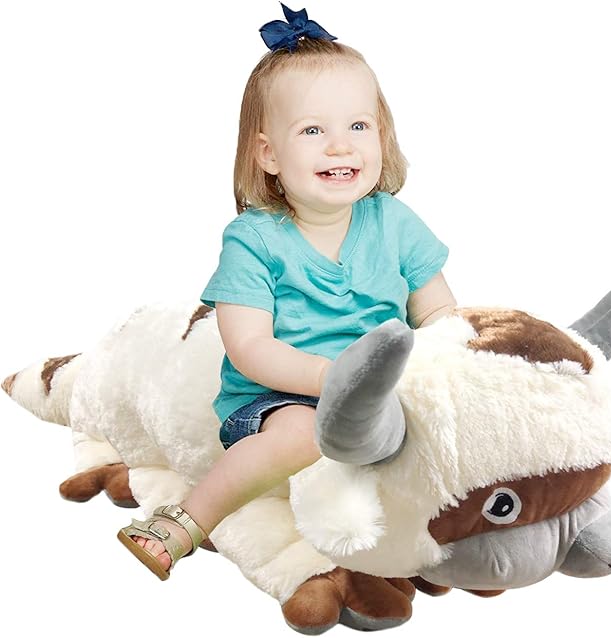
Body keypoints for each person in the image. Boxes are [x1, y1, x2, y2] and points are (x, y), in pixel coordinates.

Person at [117, 3, 458, 580]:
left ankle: (457, 537)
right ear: (269, 154)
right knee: (303, 434)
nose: (340, 147)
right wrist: (331, 379)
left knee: (443, 429)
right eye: (312, 131)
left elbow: (440, 313)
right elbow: (250, 347)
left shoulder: (395, 222)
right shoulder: (254, 239)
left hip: (379, 395)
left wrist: (454, 362)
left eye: (358, 126)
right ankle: (186, 521)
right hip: (278, 399)